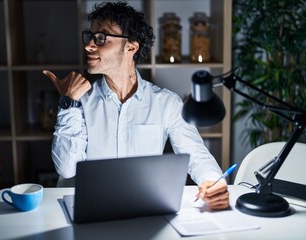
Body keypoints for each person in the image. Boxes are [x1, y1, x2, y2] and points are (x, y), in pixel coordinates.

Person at [43, 2, 229, 210]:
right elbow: (66, 169)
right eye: (90, 36)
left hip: (144, 208)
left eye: (101, 38)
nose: (88, 45)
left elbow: (196, 154)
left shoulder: (167, 103)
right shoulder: (80, 100)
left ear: (131, 46)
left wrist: (215, 182)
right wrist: (67, 103)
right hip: (94, 211)